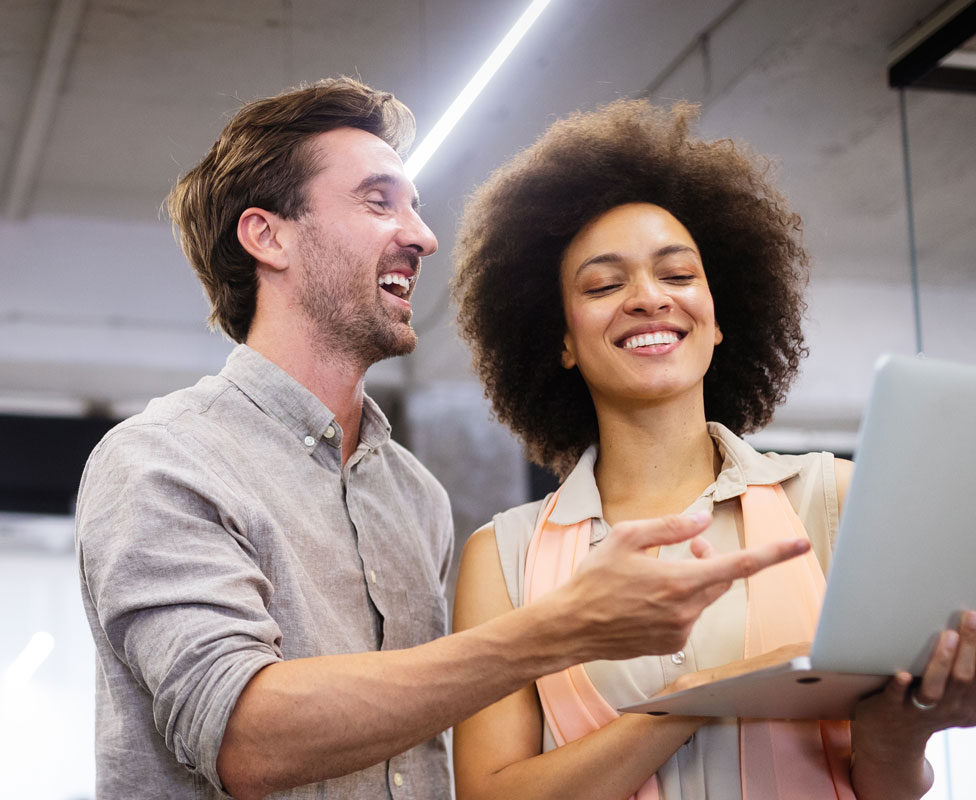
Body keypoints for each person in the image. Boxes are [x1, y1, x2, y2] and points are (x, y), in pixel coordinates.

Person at [74, 78, 808, 800]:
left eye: (416, 208)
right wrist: (558, 629)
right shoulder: (163, 460)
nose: (423, 237)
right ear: (268, 236)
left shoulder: (411, 496)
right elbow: (244, 737)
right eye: (378, 201)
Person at [450, 99, 976, 800]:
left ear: (720, 319)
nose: (649, 298)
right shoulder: (505, 557)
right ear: (563, 341)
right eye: (604, 284)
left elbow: (883, 782)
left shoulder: (835, 500)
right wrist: (696, 698)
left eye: (678, 275)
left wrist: (904, 734)